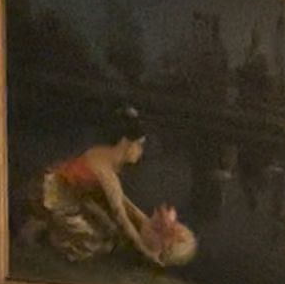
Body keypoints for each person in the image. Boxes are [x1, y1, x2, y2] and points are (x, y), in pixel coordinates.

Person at [25, 107, 197, 268]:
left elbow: (124, 203)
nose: (140, 152)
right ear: (126, 143)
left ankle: (44, 226)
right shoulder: (106, 171)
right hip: (52, 192)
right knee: (93, 239)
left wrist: (145, 223)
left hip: (67, 193)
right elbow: (121, 215)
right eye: (140, 146)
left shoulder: (106, 163)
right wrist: (143, 249)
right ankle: (42, 227)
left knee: (105, 230)